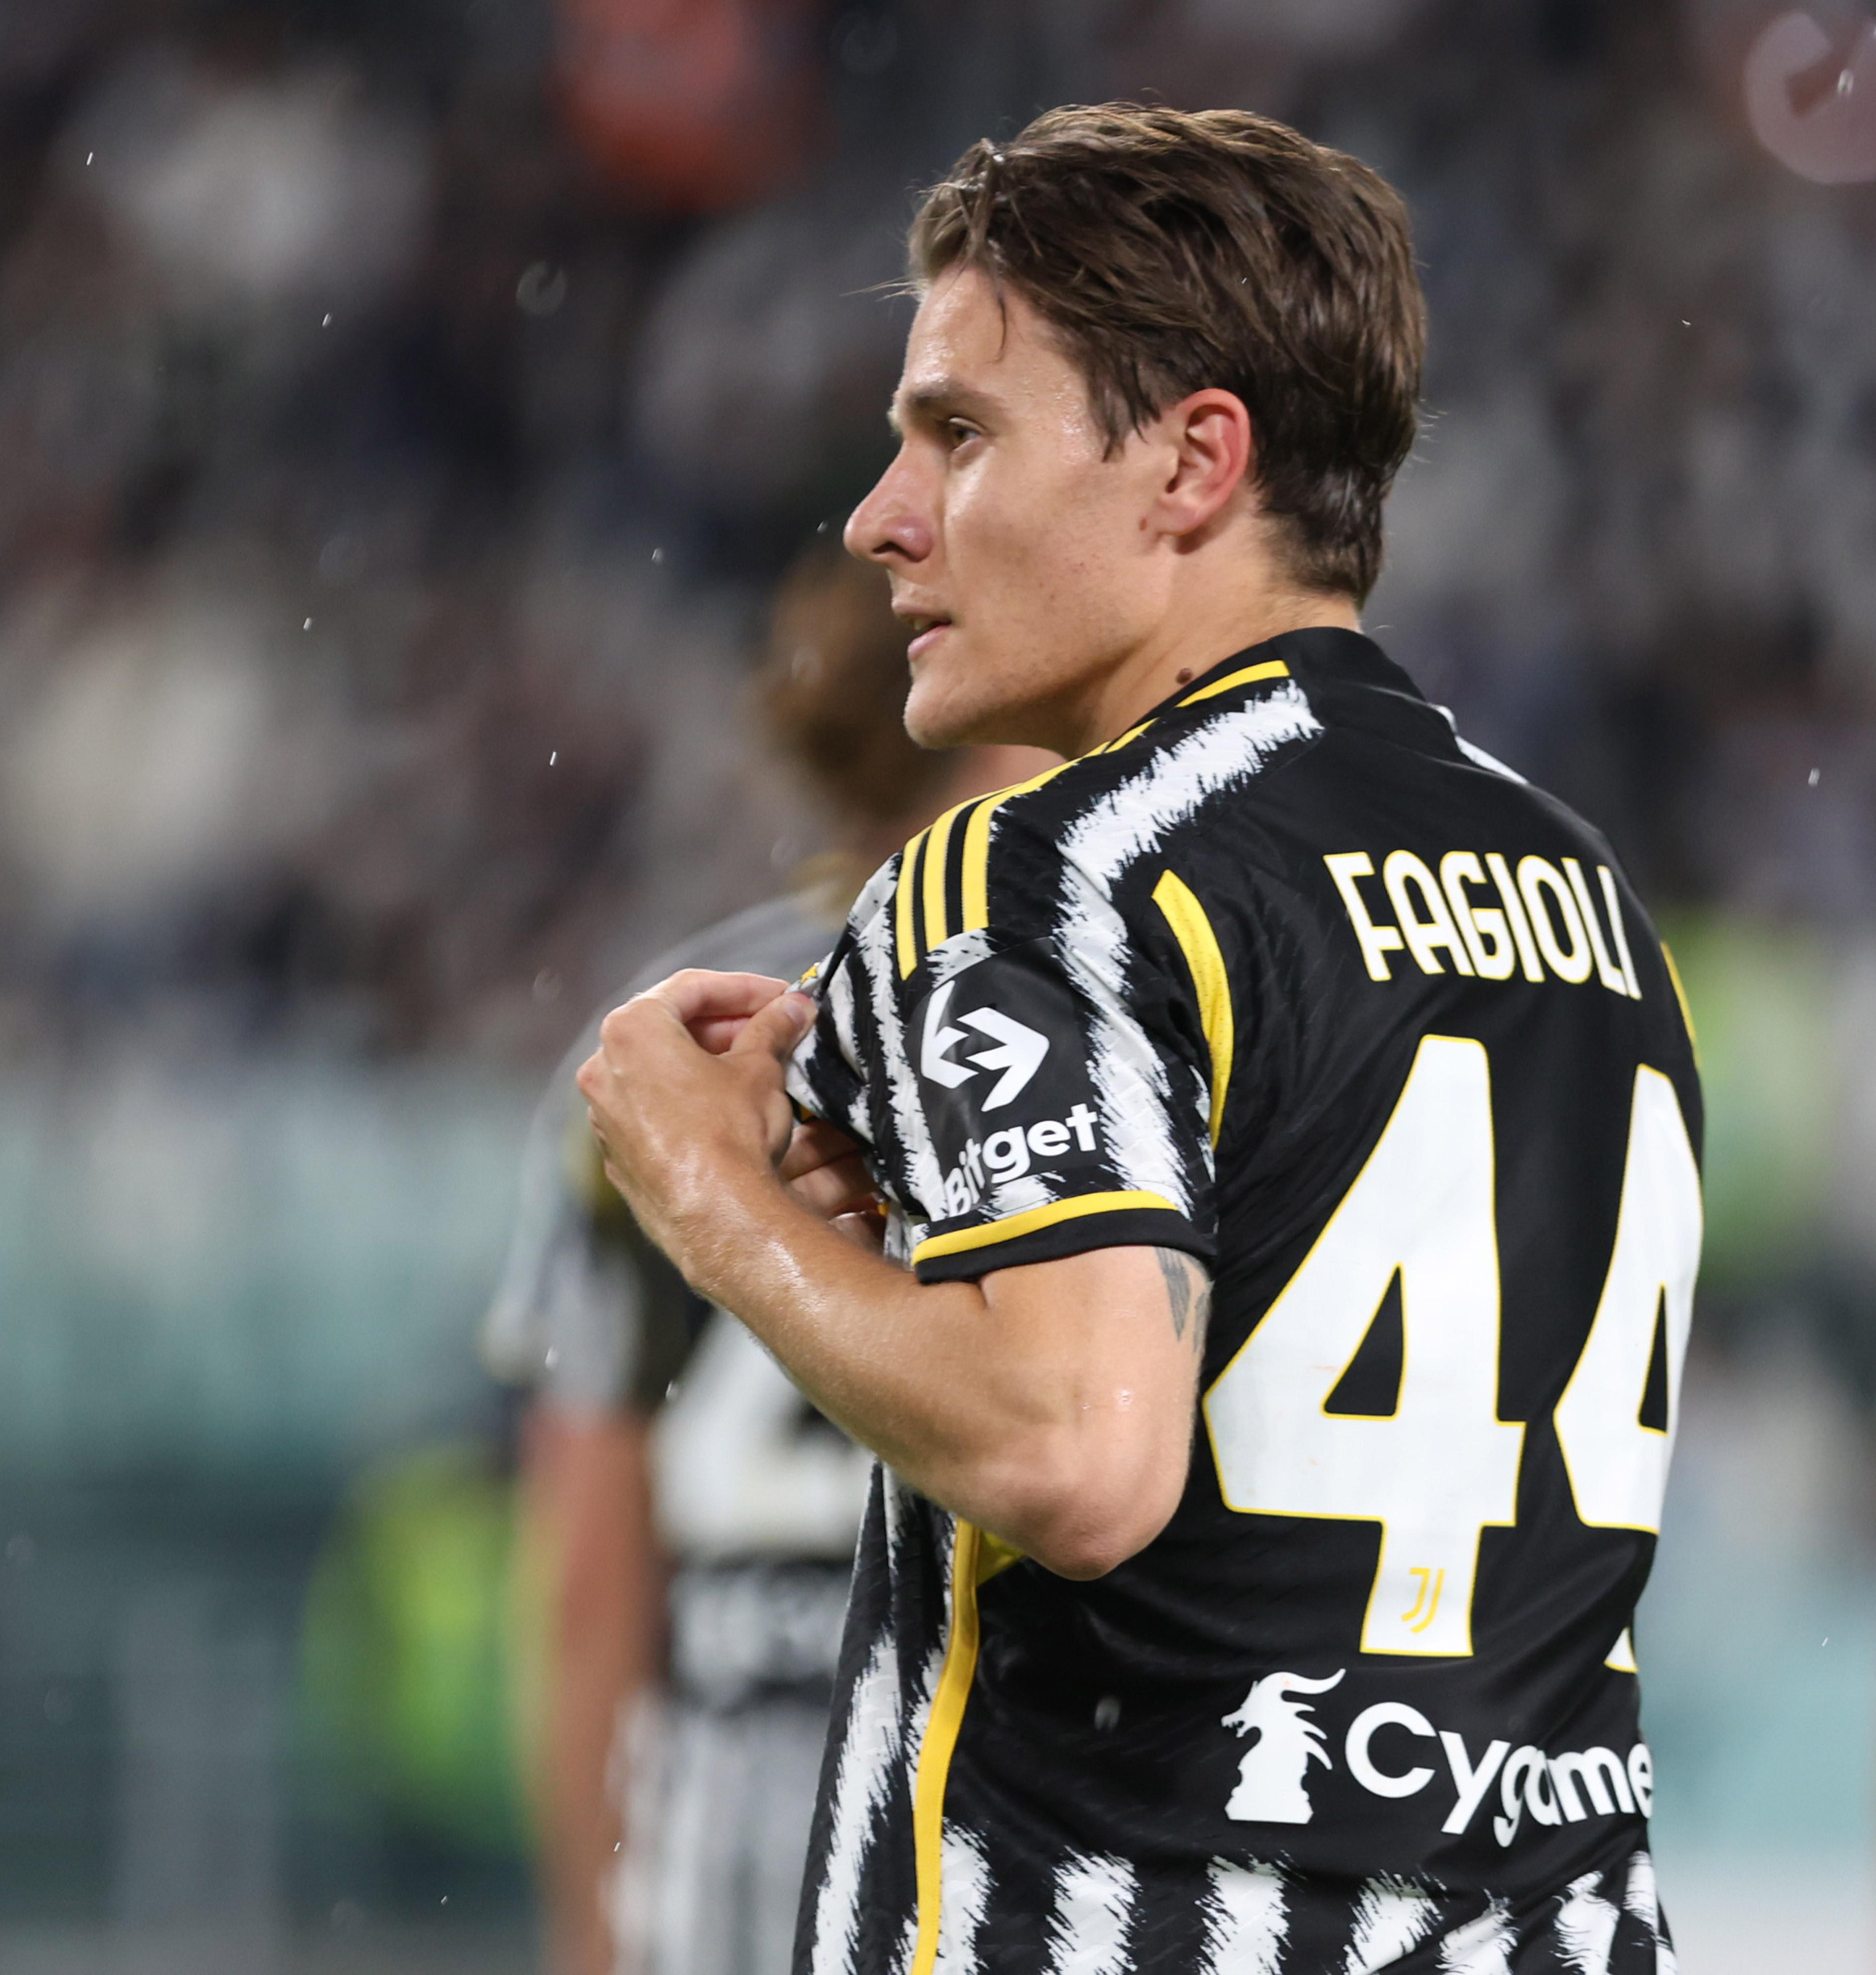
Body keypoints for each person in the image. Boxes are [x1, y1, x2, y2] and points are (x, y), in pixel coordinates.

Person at [576, 106, 1702, 1972]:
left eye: (958, 431)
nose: (882, 519)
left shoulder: (1034, 875)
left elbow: (1079, 1457)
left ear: (1191, 466)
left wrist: (710, 1195)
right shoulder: (1586, 900)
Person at [487, 541, 1049, 1975]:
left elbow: (587, 1574)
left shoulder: (665, 1047)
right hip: (991, 1783)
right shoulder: (1067, 1022)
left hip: (727, 1817)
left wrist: (589, 1926)